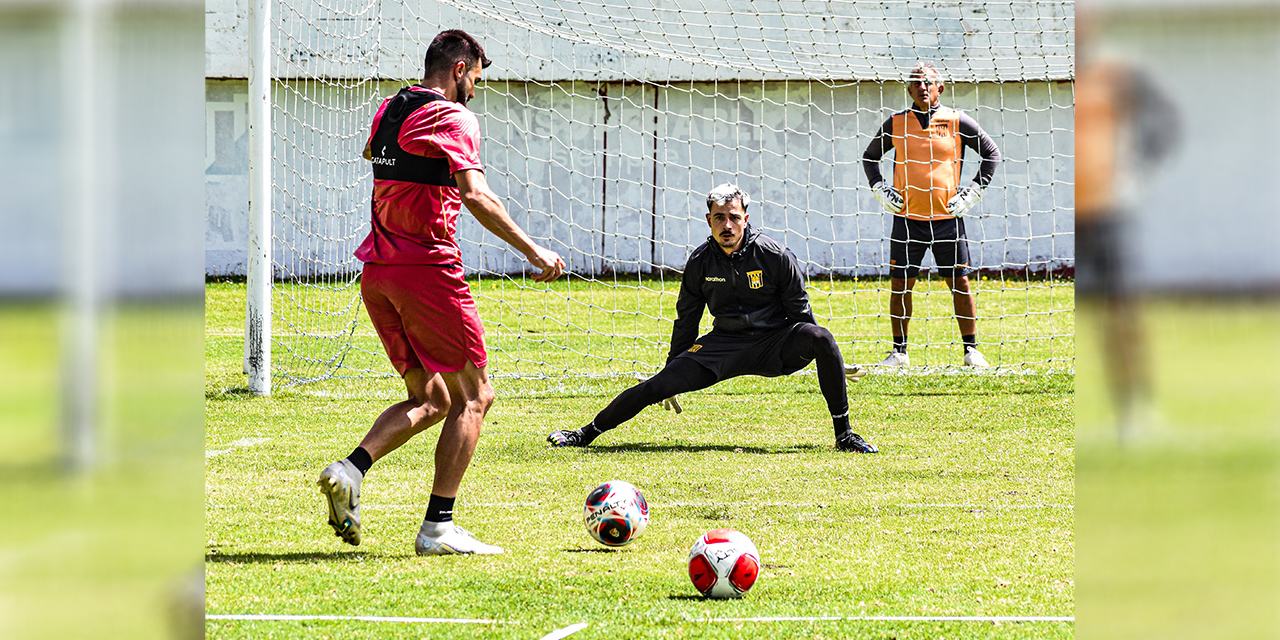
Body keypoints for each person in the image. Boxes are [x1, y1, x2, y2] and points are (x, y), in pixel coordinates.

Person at [317, 29, 565, 555]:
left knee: (430, 398)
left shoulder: (389, 108)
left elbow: (375, 154)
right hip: (427, 269)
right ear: (458, 69)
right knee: (475, 396)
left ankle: (350, 470)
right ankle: (438, 528)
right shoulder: (454, 116)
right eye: (476, 75)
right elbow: (476, 194)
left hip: (378, 272)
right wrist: (533, 251)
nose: (476, 87)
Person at [547, 183, 878, 453]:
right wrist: (672, 368)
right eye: (719, 218)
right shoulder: (701, 262)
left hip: (775, 344)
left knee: (821, 337)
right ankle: (586, 434)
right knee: (656, 386)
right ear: (709, 220)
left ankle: (844, 435)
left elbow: (801, 315)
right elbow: (687, 320)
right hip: (724, 346)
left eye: (733, 217)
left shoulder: (775, 256)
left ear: (746, 218)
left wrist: (828, 355)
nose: (727, 225)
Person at [863, 62, 1002, 368]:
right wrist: (879, 188)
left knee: (960, 284)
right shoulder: (896, 123)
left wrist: (974, 191)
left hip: (947, 221)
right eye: (916, 83)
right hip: (907, 221)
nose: (923, 87)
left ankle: (971, 351)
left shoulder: (956, 120)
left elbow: (991, 153)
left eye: (929, 83)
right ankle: (899, 352)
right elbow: (870, 157)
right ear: (909, 90)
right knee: (901, 284)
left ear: (940, 88)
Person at [1075, 31, 1178, 441]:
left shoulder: (1114, 71)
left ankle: (1135, 412)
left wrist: (1136, 173)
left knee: (1121, 309)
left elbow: (1166, 120)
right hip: (1069, 214)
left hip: (1106, 211)